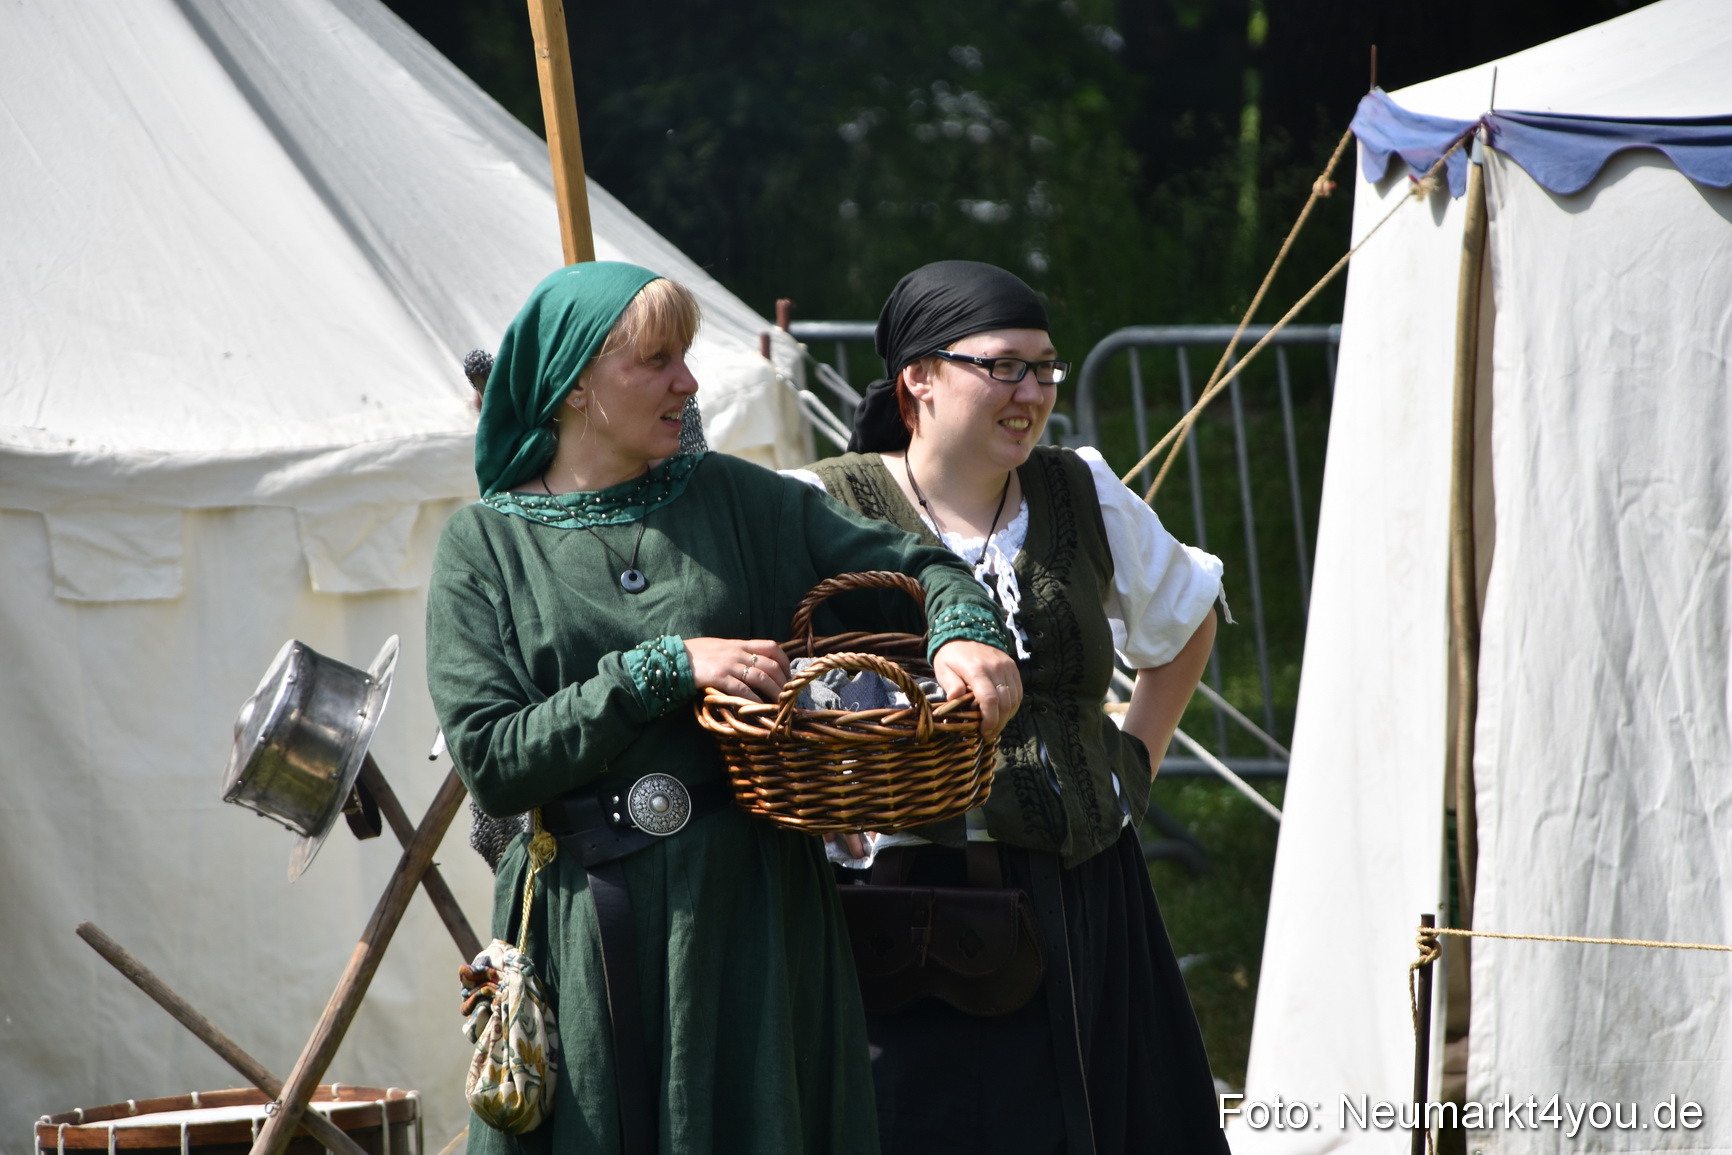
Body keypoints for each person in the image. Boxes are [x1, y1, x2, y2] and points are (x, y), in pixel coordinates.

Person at [426, 261, 1022, 1155]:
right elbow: (495, 759)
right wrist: (661, 668)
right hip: (585, 921)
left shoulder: (737, 500)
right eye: (657, 361)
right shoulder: (485, 544)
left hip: (754, 915)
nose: (688, 382)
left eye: (687, 357)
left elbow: (923, 565)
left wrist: (964, 631)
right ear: (576, 383)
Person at [786, 260, 1231, 1154]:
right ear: (919, 376)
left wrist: (1132, 765)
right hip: (908, 910)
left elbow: (1187, 617)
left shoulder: (1079, 490)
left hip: (1086, 891)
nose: (1032, 391)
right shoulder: (819, 505)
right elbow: (764, 674)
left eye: (1046, 368)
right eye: (1004, 367)